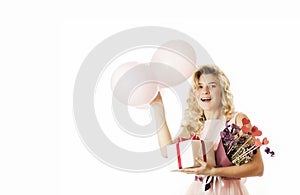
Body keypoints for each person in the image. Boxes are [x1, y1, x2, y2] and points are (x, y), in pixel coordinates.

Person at [150, 64, 264, 195]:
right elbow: (167, 152)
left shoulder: (237, 121)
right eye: (200, 86)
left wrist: (213, 171)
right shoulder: (194, 126)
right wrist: (158, 106)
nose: (205, 91)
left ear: (222, 91)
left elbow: (257, 168)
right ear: (195, 93)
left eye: (212, 86)